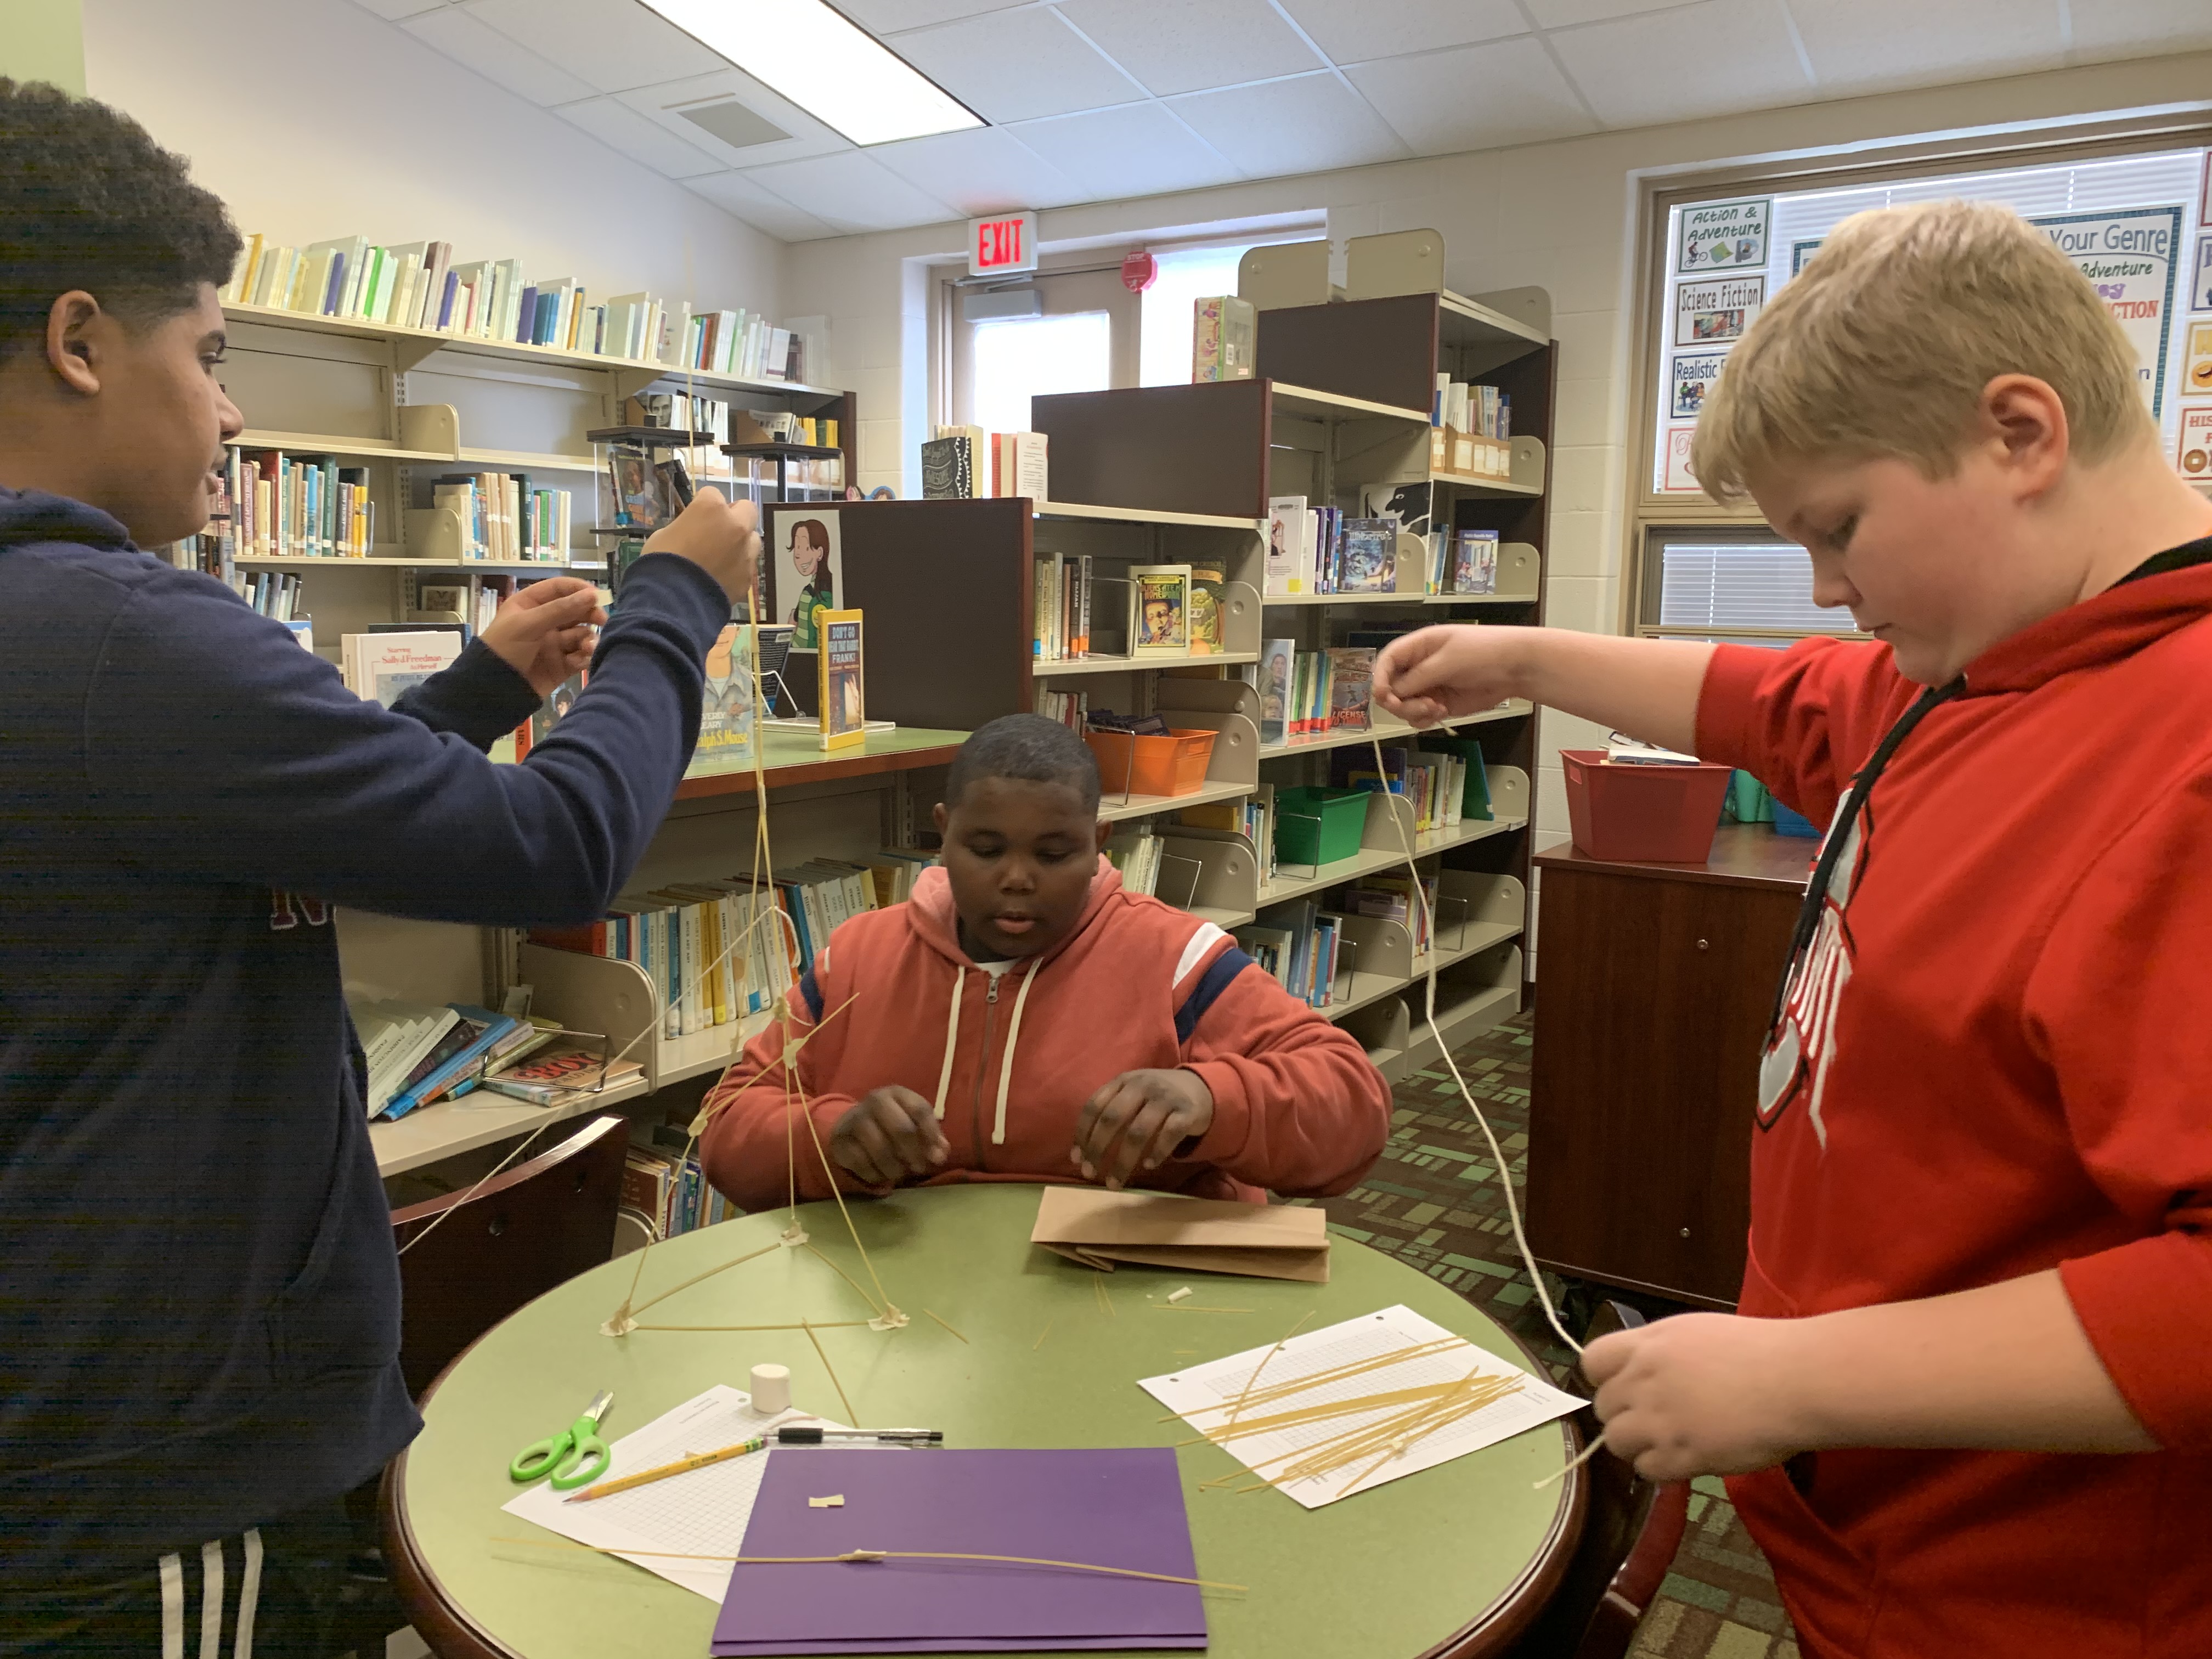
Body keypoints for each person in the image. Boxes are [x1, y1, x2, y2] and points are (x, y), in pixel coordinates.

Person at [1372, 200, 2212, 1657]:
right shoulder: (1995, 662)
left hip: (2032, 1595)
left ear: (2022, 434)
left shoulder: (2181, 755)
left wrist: (1801, 1381)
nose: (1828, 585)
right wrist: (1518, 653)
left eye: (1839, 529)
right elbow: (1775, 701)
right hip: (1870, 1533)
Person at [0, 82, 759, 1655]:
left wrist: (476, 692)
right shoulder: (127, 636)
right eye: (205, 357)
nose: (226, 418)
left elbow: (255, 825)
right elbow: (565, 841)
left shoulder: (74, 653)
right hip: (155, 1473)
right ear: (80, 341)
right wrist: (678, 597)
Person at [698, 715, 1390, 1210]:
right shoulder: (857, 958)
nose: (1018, 879)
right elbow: (726, 1131)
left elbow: (1354, 1113)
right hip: (906, 1315)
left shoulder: (1178, 962)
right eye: (986, 849)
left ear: (1099, 843)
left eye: (1055, 854)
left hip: (1123, 1303)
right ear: (943, 833)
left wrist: (1214, 1099)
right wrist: (830, 1137)